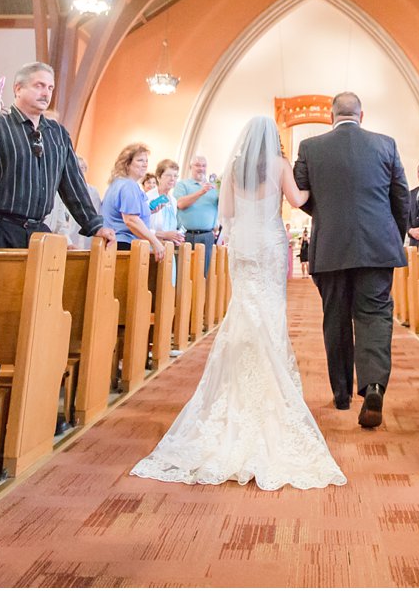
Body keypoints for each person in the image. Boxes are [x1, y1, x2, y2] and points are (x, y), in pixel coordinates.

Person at [132, 116, 344, 490]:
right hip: (270, 244)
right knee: (269, 314)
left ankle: (236, 389)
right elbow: (296, 200)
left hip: (243, 246)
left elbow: (225, 213)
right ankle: (270, 383)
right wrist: (319, 189)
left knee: (243, 311)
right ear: (272, 140)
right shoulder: (279, 166)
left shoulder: (232, 169)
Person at [293, 92, 409, 429]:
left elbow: (301, 195)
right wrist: (392, 234)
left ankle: (341, 393)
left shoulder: (310, 147)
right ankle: (372, 386)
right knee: (374, 315)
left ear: (332, 115)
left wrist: (326, 216)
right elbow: (400, 196)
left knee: (336, 317)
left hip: (330, 245)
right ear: (362, 115)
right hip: (376, 246)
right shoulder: (385, 144)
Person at [0, 62, 111, 250]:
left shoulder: (58, 133)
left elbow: (73, 185)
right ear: (18, 88)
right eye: (39, 86)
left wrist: (95, 225)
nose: (46, 93)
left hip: (38, 233)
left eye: (50, 88)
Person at [100, 143, 166, 260]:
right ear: (127, 164)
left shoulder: (119, 183)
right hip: (124, 245)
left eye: (146, 161)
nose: (145, 164)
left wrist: (149, 211)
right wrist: (155, 242)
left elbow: (125, 214)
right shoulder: (128, 185)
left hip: (117, 243)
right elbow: (131, 220)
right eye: (140, 160)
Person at [173, 154, 219, 273]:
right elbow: (180, 204)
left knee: (203, 273)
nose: (201, 168)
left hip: (207, 235)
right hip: (186, 234)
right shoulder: (183, 185)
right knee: (184, 272)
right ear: (190, 167)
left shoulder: (214, 188)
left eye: (204, 166)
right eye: (197, 165)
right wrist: (201, 192)